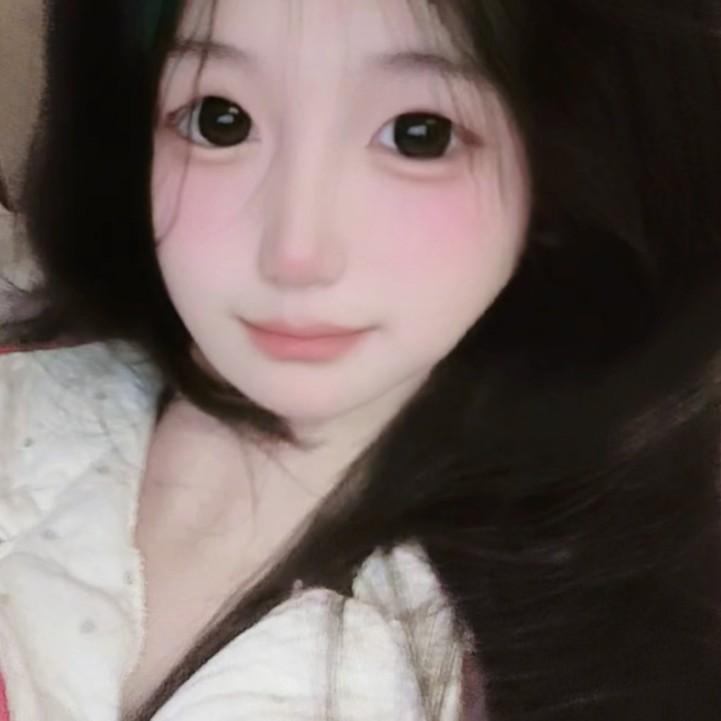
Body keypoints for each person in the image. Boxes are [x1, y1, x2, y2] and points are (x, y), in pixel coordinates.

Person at [1, 1, 721, 720]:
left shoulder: (599, 635)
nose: (295, 252)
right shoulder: (36, 385)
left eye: (419, 135)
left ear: (557, 164)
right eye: (220, 120)